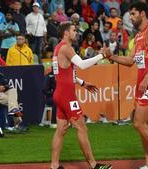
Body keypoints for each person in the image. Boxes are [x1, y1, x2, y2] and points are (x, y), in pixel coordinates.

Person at [103, 2, 148, 169]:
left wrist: (147, 78)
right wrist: (111, 56)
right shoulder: (139, 37)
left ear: (142, 13)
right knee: (144, 125)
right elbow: (130, 61)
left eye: (133, 14)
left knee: (138, 123)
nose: (131, 17)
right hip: (143, 82)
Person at [50, 21, 112, 169]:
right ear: (66, 33)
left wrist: (83, 83)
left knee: (61, 130)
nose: (76, 33)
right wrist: (101, 55)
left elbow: (64, 73)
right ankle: (93, 165)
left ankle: (54, 165)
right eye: (73, 30)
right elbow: (82, 65)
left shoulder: (57, 48)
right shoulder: (66, 48)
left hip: (59, 93)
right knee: (82, 128)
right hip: (67, 96)